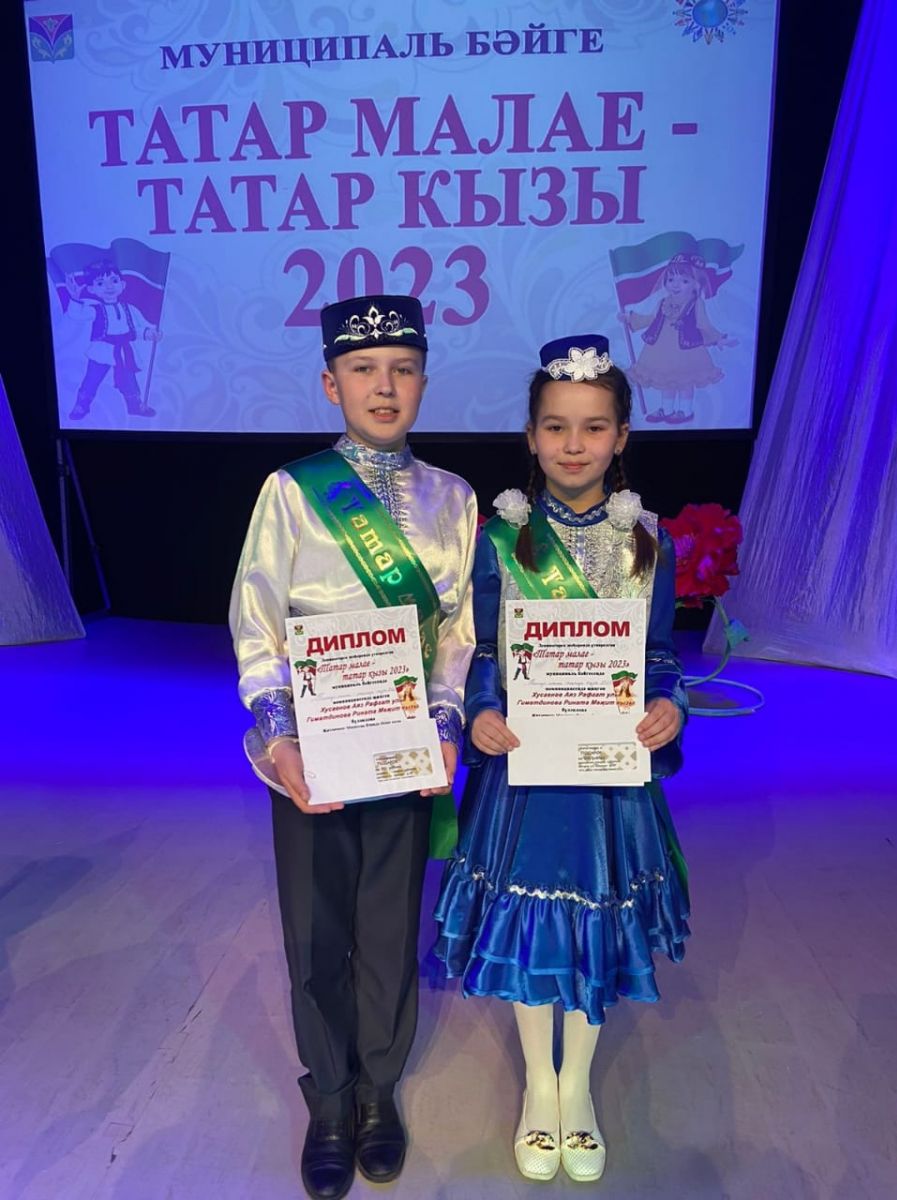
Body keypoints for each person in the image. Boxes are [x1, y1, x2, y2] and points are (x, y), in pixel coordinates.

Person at [229, 294, 477, 1200]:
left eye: (403, 369)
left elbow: (459, 633)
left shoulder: (454, 498)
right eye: (364, 370)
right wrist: (279, 739)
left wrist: (446, 725)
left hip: (404, 748)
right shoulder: (291, 491)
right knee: (314, 928)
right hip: (312, 748)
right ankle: (329, 1098)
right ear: (332, 384)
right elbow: (256, 619)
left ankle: (378, 1090)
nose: (385, 386)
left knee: (388, 926)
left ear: (423, 382)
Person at [432, 334, 690, 1184]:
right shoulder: (500, 539)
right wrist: (483, 710)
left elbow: (660, 657)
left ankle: (577, 1087)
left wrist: (669, 705)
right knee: (531, 925)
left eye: (593, 427)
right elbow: (482, 653)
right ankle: (538, 1089)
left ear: (622, 437)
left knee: (595, 925)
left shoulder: (647, 540)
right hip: (527, 770)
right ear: (531, 436)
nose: (573, 445)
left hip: (609, 777)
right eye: (555, 427)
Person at [619, 251, 736, 424]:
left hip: (687, 350)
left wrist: (718, 339)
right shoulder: (663, 302)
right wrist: (631, 318)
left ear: (696, 284)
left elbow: (703, 324)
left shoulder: (696, 303)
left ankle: (685, 411)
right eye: (671, 279)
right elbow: (650, 320)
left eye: (684, 281)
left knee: (685, 381)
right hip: (662, 349)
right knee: (667, 381)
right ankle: (666, 410)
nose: (675, 285)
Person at [65, 259, 160, 419]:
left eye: (114, 281)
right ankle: (81, 406)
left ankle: (135, 406)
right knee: (92, 379)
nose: (109, 287)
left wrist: (149, 333)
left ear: (122, 284)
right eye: (101, 283)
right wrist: (74, 297)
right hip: (102, 350)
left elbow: (133, 330)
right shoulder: (95, 310)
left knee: (129, 380)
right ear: (92, 289)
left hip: (124, 351)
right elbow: (76, 315)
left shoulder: (128, 308)